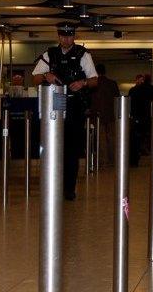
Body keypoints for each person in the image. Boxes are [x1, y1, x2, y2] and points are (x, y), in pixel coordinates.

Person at [32, 23, 98, 201]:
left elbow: (94, 80)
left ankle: (69, 188)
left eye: (69, 36)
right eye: (63, 36)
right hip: (53, 106)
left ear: (74, 36)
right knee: (53, 148)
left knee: (72, 150)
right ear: (58, 36)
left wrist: (82, 83)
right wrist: (47, 76)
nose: (66, 39)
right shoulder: (49, 54)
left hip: (75, 107)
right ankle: (53, 186)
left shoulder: (83, 54)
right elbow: (35, 77)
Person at [90, 63, 120, 168]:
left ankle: (103, 161)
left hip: (98, 115)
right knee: (112, 138)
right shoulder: (112, 83)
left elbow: (91, 100)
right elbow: (117, 98)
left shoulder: (93, 84)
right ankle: (113, 160)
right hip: (111, 115)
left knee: (100, 139)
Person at [129, 73, 153, 165]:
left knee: (135, 139)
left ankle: (134, 160)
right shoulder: (152, 89)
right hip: (147, 117)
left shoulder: (133, 90)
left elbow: (130, 104)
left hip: (136, 117)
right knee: (149, 137)